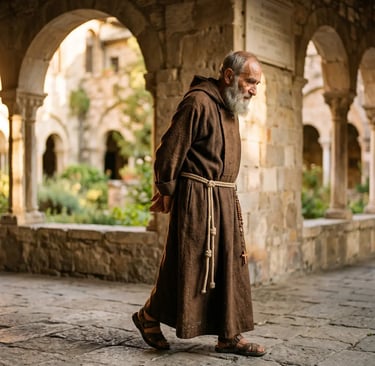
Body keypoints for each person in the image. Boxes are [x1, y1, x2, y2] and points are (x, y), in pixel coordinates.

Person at [132, 50, 266, 357]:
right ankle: (150, 316)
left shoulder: (230, 107)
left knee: (229, 264)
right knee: (188, 265)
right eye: (250, 81)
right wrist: (166, 189)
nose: (254, 90)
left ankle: (228, 336)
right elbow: (170, 149)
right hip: (198, 199)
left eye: (257, 84)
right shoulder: (198, 102)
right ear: (229, 76)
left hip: (223, 198)